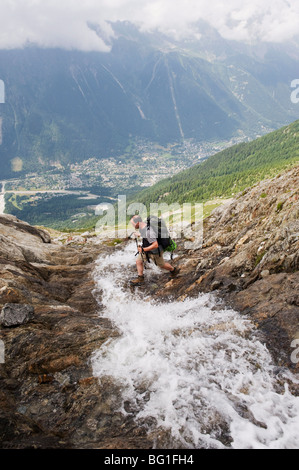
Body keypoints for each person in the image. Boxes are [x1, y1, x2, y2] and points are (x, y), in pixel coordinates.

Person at [130, 215, 180, 286]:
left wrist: (143, 249)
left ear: (138, 222)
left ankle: (174, 270)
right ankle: (140, 278)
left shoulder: (149, 232)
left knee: (161, 265)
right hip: (146, 249)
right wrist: (139, 234)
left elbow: (155, 245)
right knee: (138, 261)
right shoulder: (142, 226)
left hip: (155, 251)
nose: (132, 225)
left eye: (133, 224)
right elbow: (145, 234)